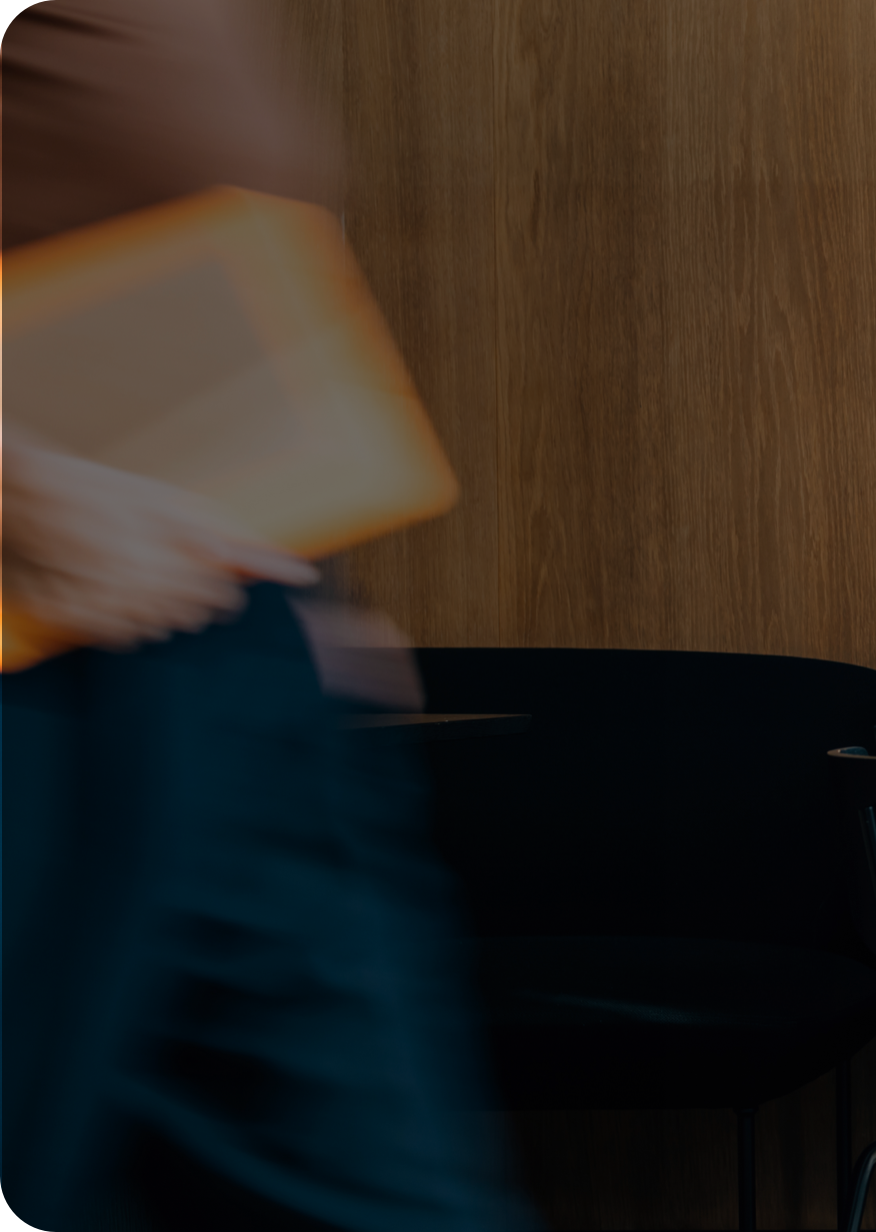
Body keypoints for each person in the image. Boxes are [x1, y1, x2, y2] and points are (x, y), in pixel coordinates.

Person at [2, 3, 528, 1228]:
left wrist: (302, 585)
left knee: (371, 1174)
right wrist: (19, 489)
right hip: (43, 636)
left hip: (223, 627)